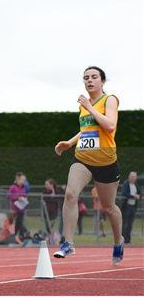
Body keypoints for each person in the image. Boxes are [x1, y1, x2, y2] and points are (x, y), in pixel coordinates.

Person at [53, 66, 124, 265]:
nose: (89, 81)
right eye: (86, 78)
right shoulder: (83, 105)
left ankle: (118, 241)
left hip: (106, 161)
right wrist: (69, 143)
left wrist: (90, 107)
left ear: (102, 81)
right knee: (70, 194)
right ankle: (68, 243)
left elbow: (110, 125)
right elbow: (87, 129)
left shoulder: (109, 100)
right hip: (83, 158)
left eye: (94, 77)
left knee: (108, 207)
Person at [8, 172, 29, 241]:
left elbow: (25, 195)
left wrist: (24, 199)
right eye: (22, 180)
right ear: (18, 179)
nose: (24, 182)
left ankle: (19, 237)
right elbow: (9, 196)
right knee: (17, 223)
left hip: (21, 209)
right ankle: (18, 236)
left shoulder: (23, 188)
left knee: (19, 223)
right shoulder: (13, 187)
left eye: (24, 180)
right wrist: (17, 197)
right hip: (15, 209)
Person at [121, 171, 140, 244]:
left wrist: (139, 196)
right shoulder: (126, 183)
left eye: (134, 177)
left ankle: (128, 240)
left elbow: (139, 192)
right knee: (124, 223)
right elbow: (124, 193)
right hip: (126, 206)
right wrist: (133, 196)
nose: (133, 178)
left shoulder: (135, 184)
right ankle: (123, 239)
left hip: (133, 207)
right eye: (132, 177)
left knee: (130, 224)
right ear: (129, 177)